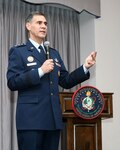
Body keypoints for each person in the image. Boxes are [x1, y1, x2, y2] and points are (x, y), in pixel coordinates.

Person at [7, 11, 97, 150]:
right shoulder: (19, 51)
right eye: (39, 23)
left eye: (45, 23)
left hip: (53, 120)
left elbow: (66, 81)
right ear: (28, 26)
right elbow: (12, 82)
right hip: (31, 121)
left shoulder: (53, 53)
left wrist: (85, 67)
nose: (43, 26)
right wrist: (40, 71)